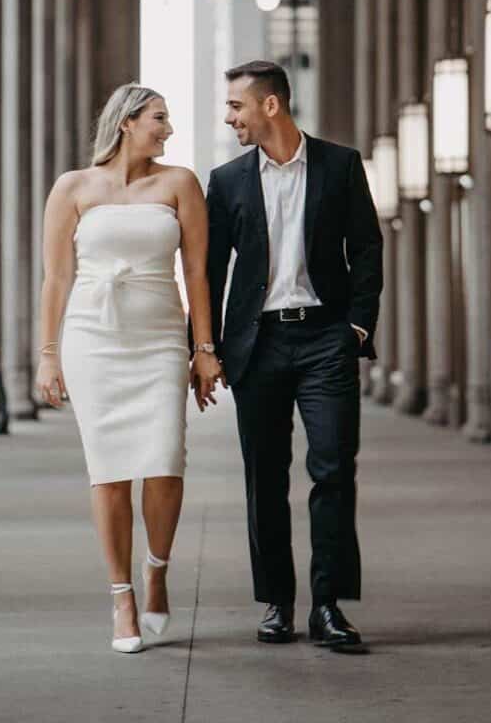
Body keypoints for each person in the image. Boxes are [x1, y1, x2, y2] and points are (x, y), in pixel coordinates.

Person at [35, 83, 224, 654]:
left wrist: (203, 347)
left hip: (160, 338)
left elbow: (198, 273)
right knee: (109, 471)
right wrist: (48, 353)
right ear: (126, 122)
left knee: (165, 461)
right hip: (92, 340)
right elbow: (57, 278)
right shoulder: (72, 187)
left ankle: (156, 569)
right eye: (159, 118)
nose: (168, 129)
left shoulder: (180, 183)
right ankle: (122, 598)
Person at [206, 60, 383, 650]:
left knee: (333, 468)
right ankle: (277, 601)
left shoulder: (339, 165)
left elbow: (367, 247)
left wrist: (357, 326)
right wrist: (205, 347)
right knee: (265, 476)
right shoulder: (227, 181)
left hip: (326, 339)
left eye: (236, 106)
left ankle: (327, 605)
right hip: (257, 344)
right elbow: (208, 271)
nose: (229, 117)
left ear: (270, 105)